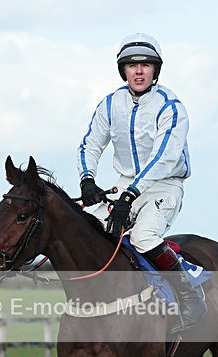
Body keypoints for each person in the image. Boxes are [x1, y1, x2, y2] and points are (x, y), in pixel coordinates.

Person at [77, 32, 206, 331]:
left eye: (145, 65)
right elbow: (90, 145)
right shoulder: (109, 104)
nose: (138, 71)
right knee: (87, 227)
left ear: (155, 70)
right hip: (124, 183)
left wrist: (130, 195)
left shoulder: (171, 106)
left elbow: (163, 157)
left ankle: (189, 297)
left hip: (164, 184)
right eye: (131, 65)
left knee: (143, 237)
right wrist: (88, 180)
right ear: (123, 70)